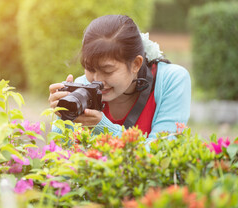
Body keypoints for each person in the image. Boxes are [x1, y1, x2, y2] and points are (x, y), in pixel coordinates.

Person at [48, 15, 191, 143]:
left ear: (135, 64)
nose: (97, 81)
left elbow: (161, 154)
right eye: (90, 69)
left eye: (108, 71)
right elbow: (60, 157)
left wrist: (103, 127)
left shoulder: (171, 81)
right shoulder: (82, 87)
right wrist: (64, 116)